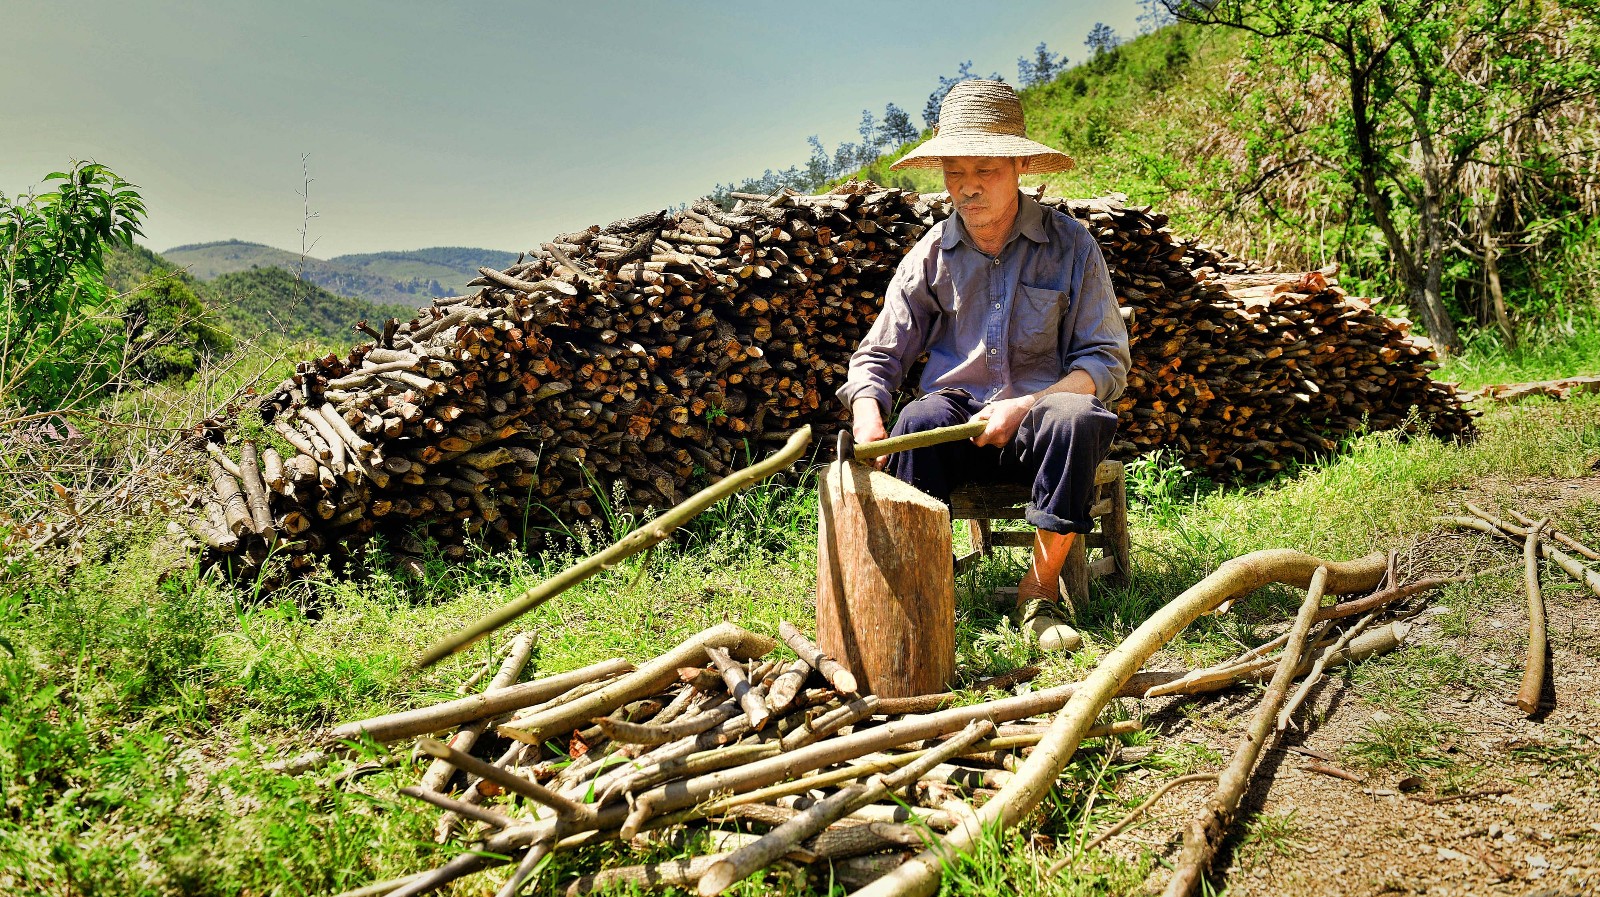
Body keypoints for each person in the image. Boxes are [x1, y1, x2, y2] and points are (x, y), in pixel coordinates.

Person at [838, 79, 1131, 652]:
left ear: (1018, 167)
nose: (967, 189)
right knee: (917, 420)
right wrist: (868, 415)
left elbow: (1105, 359)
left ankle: (1038, 595)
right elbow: (879, 355)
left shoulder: (1071, 246)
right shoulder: (929, 255)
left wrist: (1026, 404)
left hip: (1041, 425)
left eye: (986, 171)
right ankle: (923, 586)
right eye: (954, 173)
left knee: (1077, 416)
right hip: (959, 426)